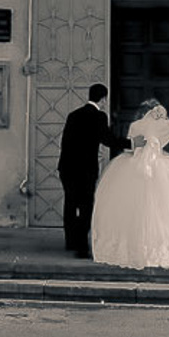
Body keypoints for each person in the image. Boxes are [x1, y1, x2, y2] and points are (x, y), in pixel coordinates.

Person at [89, 98, 169, 269]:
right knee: (164, 208)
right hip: (159, 165)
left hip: (133, 166)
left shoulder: (135, 126)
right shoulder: (163, 126)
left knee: (130, 208)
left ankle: (131, 246)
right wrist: (163, 119)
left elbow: (130, 146)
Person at [56, 83, 121, 258]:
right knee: (85, 206)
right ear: (104, 99)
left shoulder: (73, 115)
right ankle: (82, 247)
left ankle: (70, 241)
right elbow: (108, 140)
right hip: (86, 169)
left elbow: (65, 142)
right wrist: (130, 143)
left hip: (67, 167)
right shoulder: (99, 116)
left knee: (70, 203)